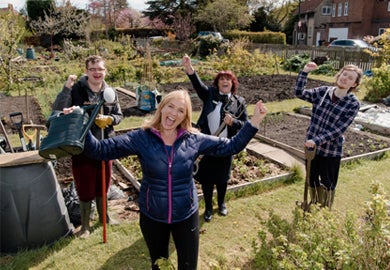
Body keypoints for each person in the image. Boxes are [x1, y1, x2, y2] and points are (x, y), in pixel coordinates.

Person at [81, 89, 267, 270]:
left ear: (185, 116)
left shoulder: (193, 139)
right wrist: (81, 123)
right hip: (153, 215)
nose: (173, 114)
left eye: (181, 110)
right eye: (170, 106)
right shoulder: (141, 138)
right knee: (159, 265)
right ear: (161, 107)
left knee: (188, 266)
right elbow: (99, 150)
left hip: (186, 214)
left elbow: (231, 146)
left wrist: (255, 121)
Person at [52, 55, 123, 238]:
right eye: (93, 69)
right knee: (84, 186)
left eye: (100, 69)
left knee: (103, 184)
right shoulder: (76, 90)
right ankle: (85, 226)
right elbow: (59, 108)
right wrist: (67, 87)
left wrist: (110, 119)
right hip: (82, 145)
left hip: (105, 144)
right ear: (87, 71)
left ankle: (104, 218)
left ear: (105, 71)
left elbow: (119, 115)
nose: (97, 73)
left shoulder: (110, 92)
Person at [181, 54, 248, 222]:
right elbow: (198, 85)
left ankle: (222, 204)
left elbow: (245, 124)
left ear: (232, 84)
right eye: (221, 80)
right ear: (217, 83)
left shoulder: (239, 102)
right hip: (206, 144)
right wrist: (190, 69)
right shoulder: (209, 94)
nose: (225, 82)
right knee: (207, 178)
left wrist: (233, 122)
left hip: (226, 145)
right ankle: (209, 208)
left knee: (223, 177)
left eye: (228, 80)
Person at [295, 61, 362, 209]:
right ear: (339, 75)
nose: (345, 78)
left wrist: (316, 140)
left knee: (328, 183)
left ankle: (325, 211)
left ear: (354, 84)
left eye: (350, 78)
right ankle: (313, 205)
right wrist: (305, 72)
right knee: (311, 179)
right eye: (344, 74)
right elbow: (299, 92)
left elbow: (339, 129)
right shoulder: (323, 92)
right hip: (312, 149)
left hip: (331, 151)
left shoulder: (352, 103)